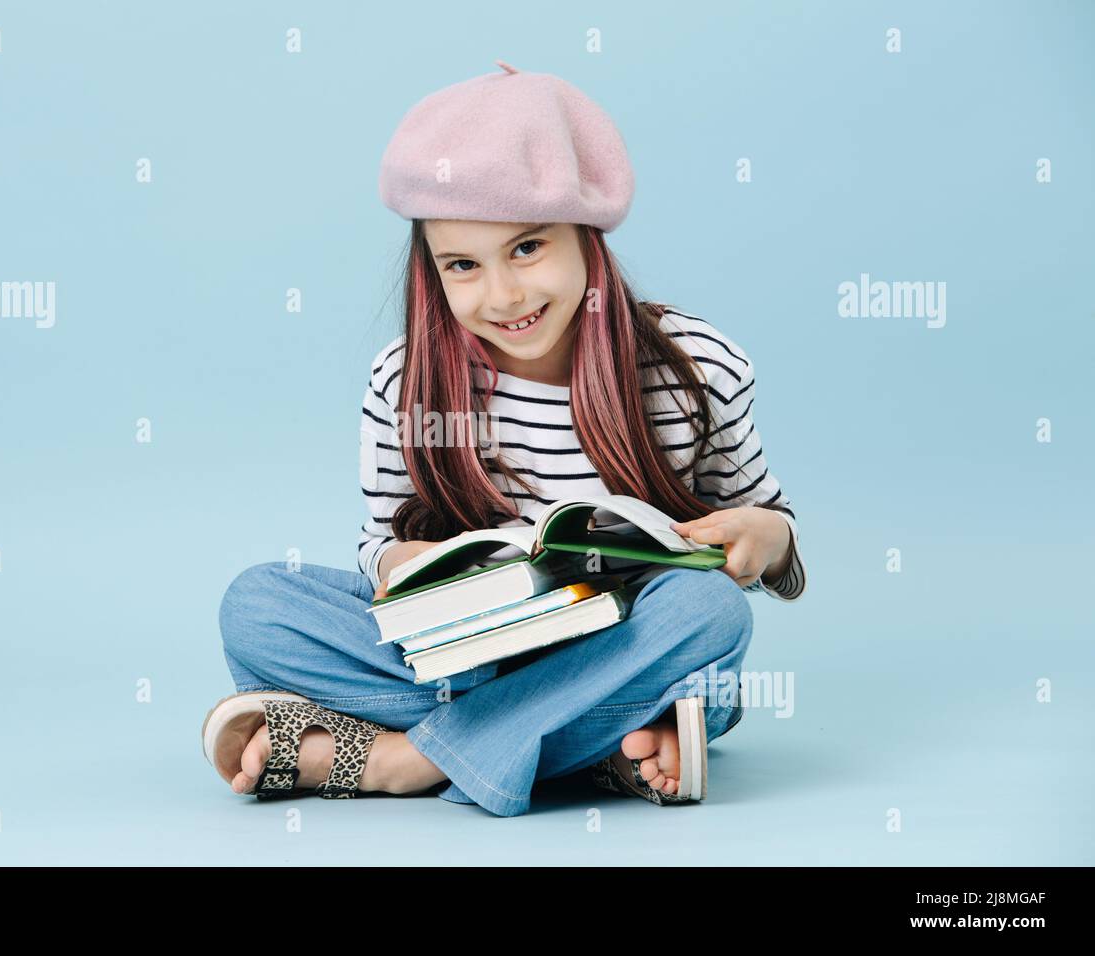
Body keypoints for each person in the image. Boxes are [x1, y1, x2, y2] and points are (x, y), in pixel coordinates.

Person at [205, 60, 806, 817]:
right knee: (256, 604)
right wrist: (398, 562)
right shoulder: (404, 383)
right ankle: (593, 749)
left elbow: (768, 524)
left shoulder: (695, 368)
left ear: (589, 238)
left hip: (618, 647)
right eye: (464, 264)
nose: (505, 295)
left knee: (710, 617)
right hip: (464, 652)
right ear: (432, 272)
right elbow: (377, 542)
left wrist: (764, 536)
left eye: (527, 248)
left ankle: (398, 758)